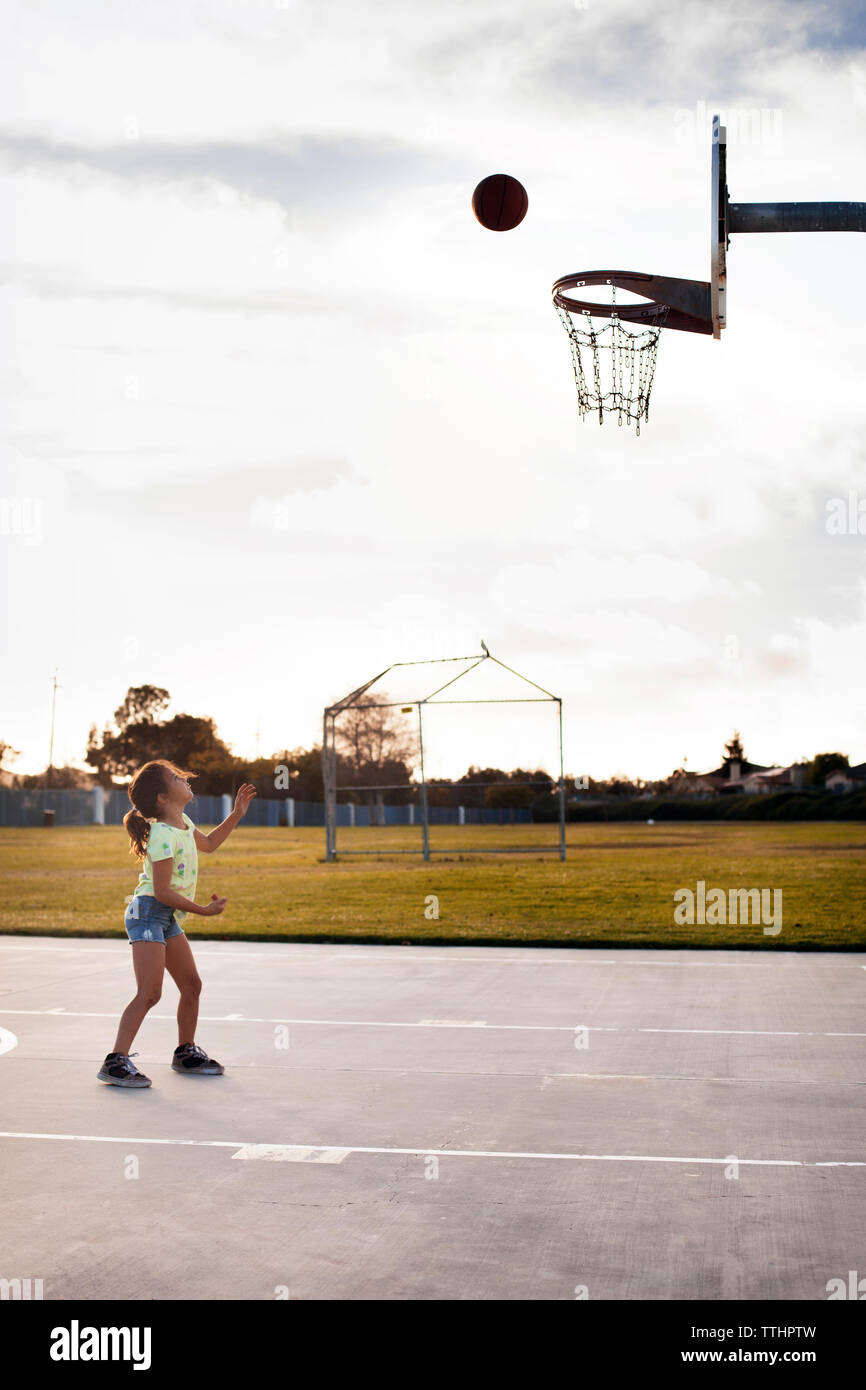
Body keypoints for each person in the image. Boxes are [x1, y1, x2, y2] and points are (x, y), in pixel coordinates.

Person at [97, 759, 256, 1088]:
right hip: (147, 913)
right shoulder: (161, 835)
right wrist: (203, 910)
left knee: (192, 986)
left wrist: (238, 812)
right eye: (175, 778)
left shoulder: (182, 821)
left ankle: (185, 1052)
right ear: (162, 798)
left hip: (164, 916)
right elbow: (162, 891)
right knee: (150, 993)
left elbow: (209, 844)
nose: (184, 779)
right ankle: (115, 1061)